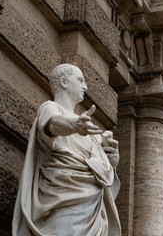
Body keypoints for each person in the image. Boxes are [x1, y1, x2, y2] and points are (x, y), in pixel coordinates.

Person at [12, 64, 121, 236]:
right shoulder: (50, 108)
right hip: (62, 202)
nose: (85, 86)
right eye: (80, 80)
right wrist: (74, 125)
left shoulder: (87, 127)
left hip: (91, 209)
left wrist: (111, 161)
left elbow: (102, 174)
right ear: (64, 82)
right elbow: (52, 125)